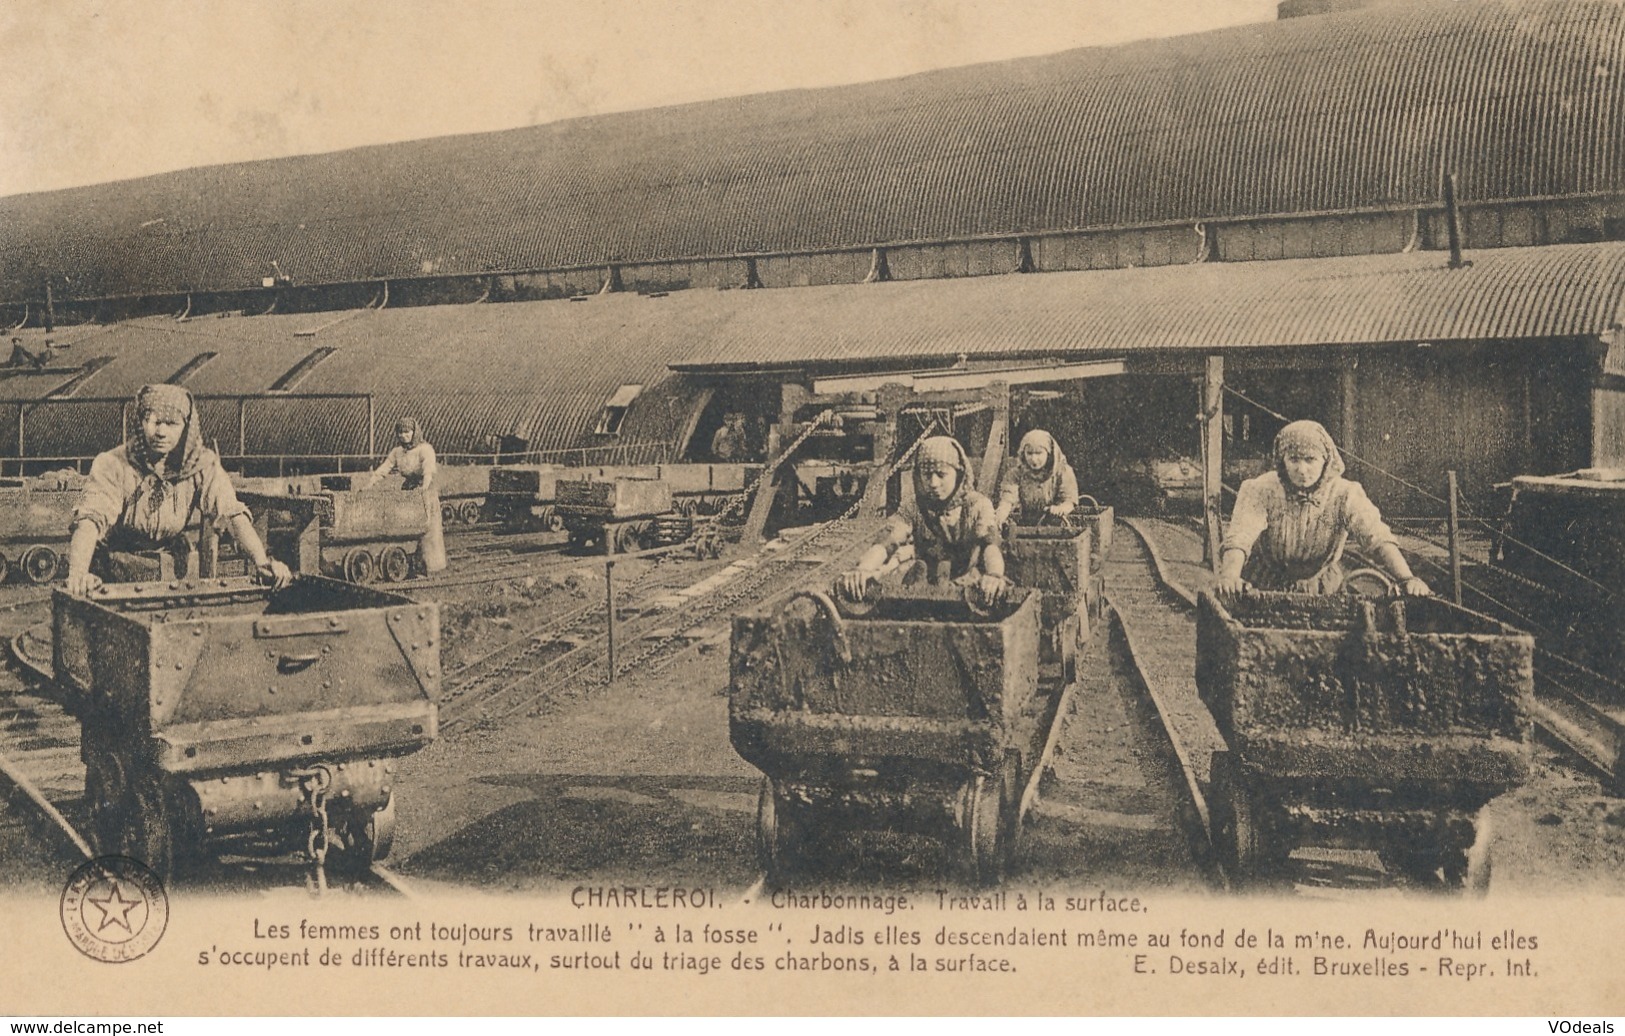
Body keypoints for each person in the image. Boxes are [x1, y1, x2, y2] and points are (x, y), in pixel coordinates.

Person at [65, 384, 291, 594]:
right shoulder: (113, 463)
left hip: (173, 566)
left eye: (171, 423)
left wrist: (262, 562)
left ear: (186, 427)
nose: (160, 431)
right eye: (152, 421)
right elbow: (90, 519)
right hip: (115, 566)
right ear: (141, 423)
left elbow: (231, 513)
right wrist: (78, 574)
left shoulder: (201, 464)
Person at [1216, 419, 1431, 596]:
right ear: (1282, 460)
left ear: (1325, 460)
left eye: (1310, 460)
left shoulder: (1345, 493)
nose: (1302, 469)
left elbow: (1377, 536)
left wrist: (1407, 578)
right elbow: (1240, 536)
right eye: (1294, 459)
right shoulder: (1261, 489)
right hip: (1266, 582)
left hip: (1323, 586)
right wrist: (1230, 575)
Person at [837, 435, 1007, 599]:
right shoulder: (915, 506)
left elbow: (990, 544)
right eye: (927, 475)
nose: (933, 483)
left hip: (969, 584)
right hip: (925, 585)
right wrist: (864, 568)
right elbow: (888, 540)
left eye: (941, 475)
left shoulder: (978, 505)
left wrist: (994, 575)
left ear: (959, 473)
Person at [363, 417, 446, 573]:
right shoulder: (397, 452)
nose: (403, 435)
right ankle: (408, 563)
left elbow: (428, 470)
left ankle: (431, 565)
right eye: (400, 432)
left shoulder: (425, 449)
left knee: (427, 529)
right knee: (407, 525)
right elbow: (384, 468)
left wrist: (424, 488)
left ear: (414, 432)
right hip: (408, 489)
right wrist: (369, 484)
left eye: (407, 432)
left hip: (424, 490)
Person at [994, 429, 1080, 527]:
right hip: (1028, 525)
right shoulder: (1016, 474)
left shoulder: (1063, 472)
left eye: (1039, 453)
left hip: (1057, 525)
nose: (1034, 459)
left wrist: (1060, 509)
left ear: (1049, 453)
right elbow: (1008, 499)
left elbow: (1069, 501)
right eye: (1029, 453)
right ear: (1023, 453)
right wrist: (1001, 514)